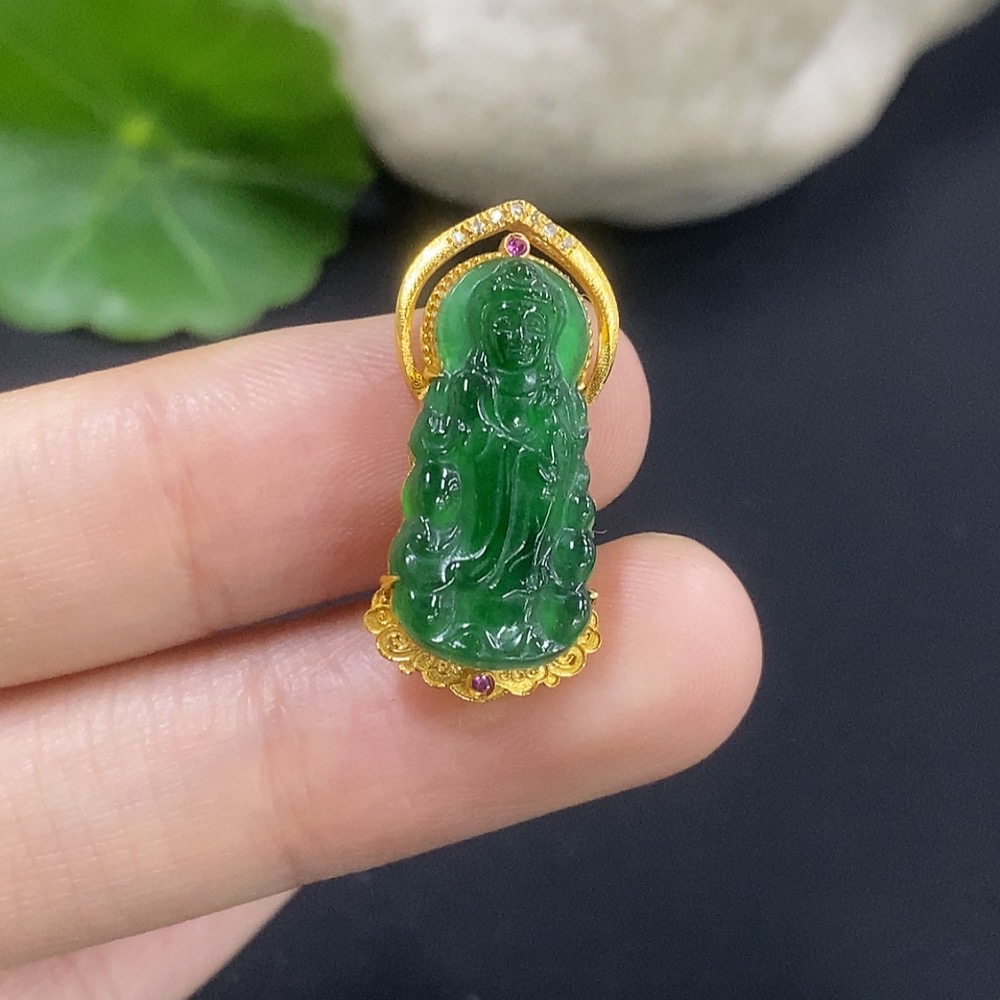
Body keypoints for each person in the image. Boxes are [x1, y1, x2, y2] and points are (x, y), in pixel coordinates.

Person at [0, 314, 760, 998]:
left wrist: (539, 474)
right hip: (468, 542)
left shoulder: (558, 400)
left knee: (536, 549)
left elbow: (568, 481)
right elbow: (437, 463)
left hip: (527, 540)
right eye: (505, 323)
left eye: (533, 326)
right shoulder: (462, 389)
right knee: (451, 557)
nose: (518, 336)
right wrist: (463, 463)